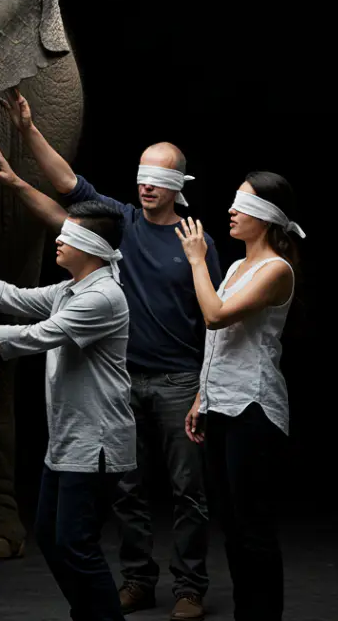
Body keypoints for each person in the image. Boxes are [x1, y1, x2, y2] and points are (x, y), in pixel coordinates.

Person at [0, 88, 220, 619]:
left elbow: (218, 318)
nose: (145, 185)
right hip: (121, 382)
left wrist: (204, 391)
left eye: (159, 179)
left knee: (189, 490)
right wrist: (27, 133)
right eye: (142, 174)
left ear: (179, 187)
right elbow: (67, 195)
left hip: (180, 380)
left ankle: (189, 587)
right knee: (126, 490)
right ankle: (138, 579)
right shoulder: (122, 226)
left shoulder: (195, 241)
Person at [0, 201, 135, 621]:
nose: (58, 240)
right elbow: (14, 297)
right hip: (68, 441)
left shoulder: (103, 297)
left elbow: (35, 337)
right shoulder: (70, 289)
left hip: (96, 445)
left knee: (75, 545)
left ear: (91, 246)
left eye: (68, 236)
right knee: (52, 538)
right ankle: (89, 613)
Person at [177, 173, 304, 621]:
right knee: (230, 526)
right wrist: (200, 397)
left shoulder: (276, 270)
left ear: (267, 218)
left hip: (254, 408)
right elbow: (222, 345)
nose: (230, 210)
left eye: (242, 204)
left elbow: (214, 317)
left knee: (253, 527)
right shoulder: (234, 267)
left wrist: (196, 260)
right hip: (221, 405)